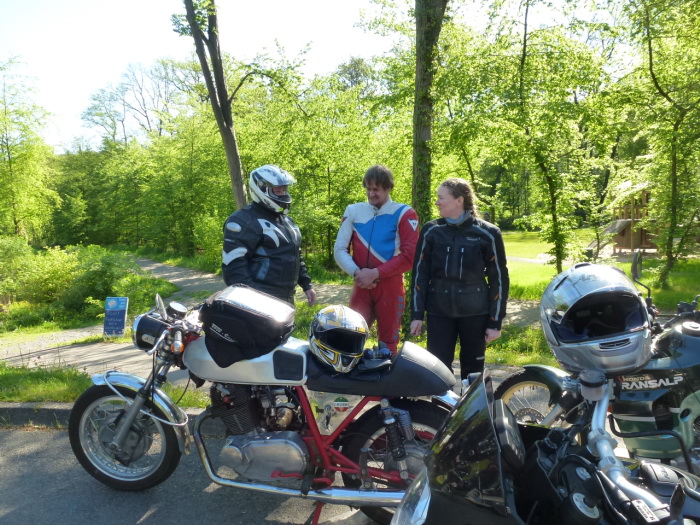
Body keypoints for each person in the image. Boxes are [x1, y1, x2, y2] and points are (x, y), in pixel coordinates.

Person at [410, 177, 509, 375]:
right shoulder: (431, 231)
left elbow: (499, 279)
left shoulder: (488, 233)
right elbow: (420, 274)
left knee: (473, 373)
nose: (437, 202)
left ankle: (472, 397)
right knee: (437, 371)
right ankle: (440, 397)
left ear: (459, 200)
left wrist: (495, 322)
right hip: (439, 313)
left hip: (475, 315)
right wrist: (417, 315)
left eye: (441, 198)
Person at [334, 165, 419, 353]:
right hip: (361, 283)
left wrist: (375, 273)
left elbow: (409, 257)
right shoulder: (353, 210)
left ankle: (386, 371)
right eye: (368, 189)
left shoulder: (404, 213)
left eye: (376, 189)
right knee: (350, 337)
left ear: (388, 188)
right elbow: (339, 249)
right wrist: (358, 273)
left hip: (390, 285)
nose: (371, 194)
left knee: (388, 344)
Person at [222, 164, 317, 306]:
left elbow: (295, 255)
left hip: (286, 297)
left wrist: (306, 285)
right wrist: (256, 299)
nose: (283, 194)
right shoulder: (242, 221)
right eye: (278, 190)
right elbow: (234, 269)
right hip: (258, 301)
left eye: (284, 189)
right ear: (261, 189)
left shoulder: (287, 221)